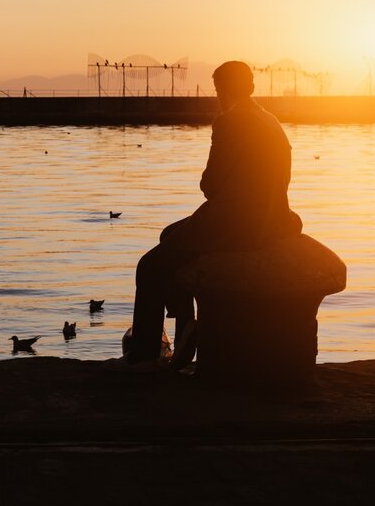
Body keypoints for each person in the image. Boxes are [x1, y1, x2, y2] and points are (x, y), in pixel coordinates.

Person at [116, 60, 303, 370]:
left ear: (221, 91)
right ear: (252, 87)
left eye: (219, 90)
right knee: (170, 235)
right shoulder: (270, 119)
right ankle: (186, 326)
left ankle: (145, 354)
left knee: (149, 267)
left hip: (236, 222)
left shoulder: (230, 121)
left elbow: (210, 184)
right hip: (274, 219)